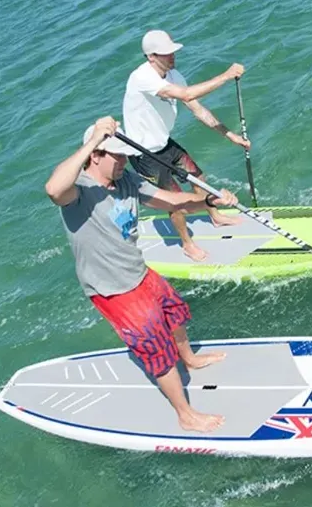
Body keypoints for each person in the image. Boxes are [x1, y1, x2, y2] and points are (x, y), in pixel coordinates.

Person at [44, 116, 240, 433]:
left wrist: (207, 200)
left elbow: (173, 200)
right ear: (95, 155)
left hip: (138, 272)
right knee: (156, 347)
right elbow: (53, 188)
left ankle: (189, 359)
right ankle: (185, 414)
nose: (125, 161)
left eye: (125, 154)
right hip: (113, 289)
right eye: (117, 155)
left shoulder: (128, 182)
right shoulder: (78, 192)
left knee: (173, 312)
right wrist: (94, 139)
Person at [123, 29, 250, 262]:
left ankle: (214, 216)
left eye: (172, 51)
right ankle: (187, 244)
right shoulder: (142, 78)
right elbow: (185, 95)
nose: (172, 56)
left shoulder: (173, 75)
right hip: (144, 154)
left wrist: (229, 135)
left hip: (163, 143)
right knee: (175, 200)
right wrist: (225, 76)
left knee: (199, 177)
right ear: (151, 56)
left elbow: (198, 109)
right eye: (166, 53)